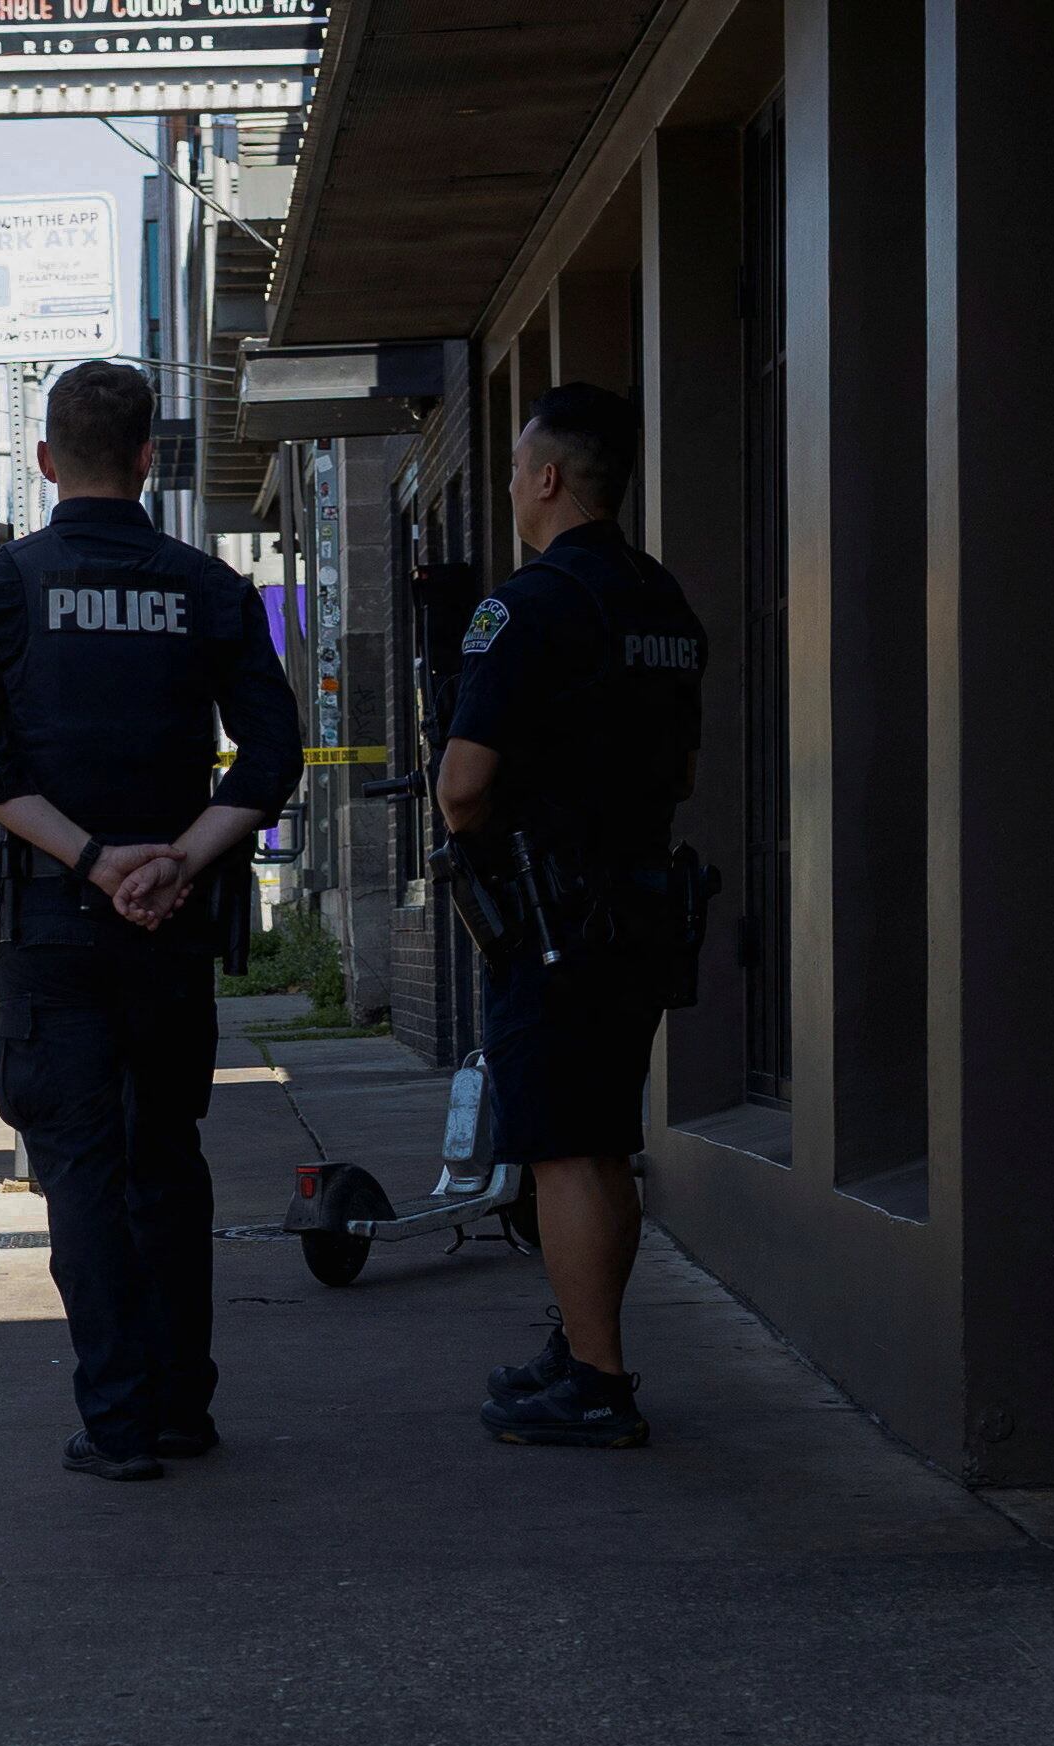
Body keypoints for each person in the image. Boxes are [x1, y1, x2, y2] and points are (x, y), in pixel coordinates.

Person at [0, 358, 303, 1479]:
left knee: (83, 1174)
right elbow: (271, 755)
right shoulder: (209, 589)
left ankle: (119, 1423)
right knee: (168, 1162)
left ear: (47, 462)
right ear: (150, 459)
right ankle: (183, 1405)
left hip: (55, 927)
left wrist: (92, 862)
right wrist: (176, 862)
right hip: (173, 930)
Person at [437, 380, 711, 1450]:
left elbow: (464, 781)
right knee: (600, 1140)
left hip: (550, 916)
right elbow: (680, 767)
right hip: (640, 906)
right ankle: (584, 1339)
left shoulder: (530, 604)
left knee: (562, 1147)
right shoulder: (662, 602)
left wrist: (485, 853)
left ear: (549, 478)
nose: (509, 486)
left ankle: (596, 1381)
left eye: (513, 468)